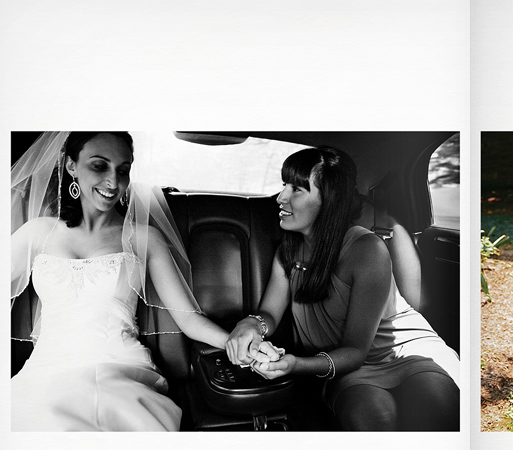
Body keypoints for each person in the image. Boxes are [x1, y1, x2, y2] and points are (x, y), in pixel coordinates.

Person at [224, 146, 460, 431]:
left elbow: (356, 349)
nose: (281, 197)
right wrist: (251, 325)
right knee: (373, 422)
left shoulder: (366, 249)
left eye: (297, 189)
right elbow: (268, 314)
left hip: (404, 350)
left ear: (329, 200)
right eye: (284, 185)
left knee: (434, 413)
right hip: (346, 366)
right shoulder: (287, 252)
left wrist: (295, 364)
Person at [10, 132, 232, 431]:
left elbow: (190, 321)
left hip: (121, 367)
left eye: (123, 170)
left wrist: (233, 342)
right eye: (99, 166)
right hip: (45, 372)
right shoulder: (38, 233)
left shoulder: (144, 239)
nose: (114, 183)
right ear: (71, 166)